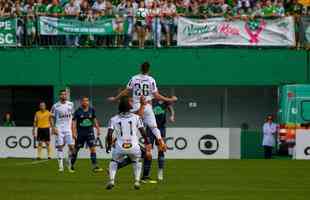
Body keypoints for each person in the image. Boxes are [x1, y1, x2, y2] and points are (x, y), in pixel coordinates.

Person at [108, 61, 177, 151]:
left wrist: (115, 98)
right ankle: (161, 142)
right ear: (149, 70)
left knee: (128, 125)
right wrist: (170, 99)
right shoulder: (151, 80)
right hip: (147, 106)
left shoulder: (134, 78)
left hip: (135, 106)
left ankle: (115, 140)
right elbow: (157, 95)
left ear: (140, 68)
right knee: (154, 127)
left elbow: (126, 91)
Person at [105, 96, 152, 190]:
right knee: (136, 161)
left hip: (119, 147)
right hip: (134, 146)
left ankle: (111, 180)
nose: (132, 102)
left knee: (113, 162)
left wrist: (109, 145)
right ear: (127, 105)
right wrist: (147, 143)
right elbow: (143, 132)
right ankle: (137, 182)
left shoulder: (113, 119)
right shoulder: (136, 117)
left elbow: (109, 134)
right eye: (130, 101)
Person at [142, 98, 175, 182]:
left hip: (161, 128)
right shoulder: (148, 101)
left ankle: (160, 171)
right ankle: (146, 174)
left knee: (161, 149)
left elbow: (170, 107)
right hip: (150, 128)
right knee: (148, 150)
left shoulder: (163, 100)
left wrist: (172, 115)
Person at [71, 96, 103, 172]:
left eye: (86, 101)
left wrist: (98, 129)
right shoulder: (78, 111)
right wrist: (73, 132)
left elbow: (95, 120)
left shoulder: (92, 110)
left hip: (90, 133)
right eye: (84, 101)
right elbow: (74, 122)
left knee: (93, 149)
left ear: (88, 102)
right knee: (76, 150)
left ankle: (95, 166)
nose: (85, 102)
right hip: (80, 134)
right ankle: (71, 164)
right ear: (82, 102)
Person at [51, 90, 76, 172]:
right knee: (60, 147)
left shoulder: (71, 104)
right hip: (59, 129)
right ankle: (61, 166)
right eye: (62, 94)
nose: (64, 96)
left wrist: (74, 130)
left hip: (68, 129)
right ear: (59, 96)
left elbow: (73, 118)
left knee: (72, 148)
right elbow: (51, 117)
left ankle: (68, 163)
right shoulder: (55, 106)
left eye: (65, 94)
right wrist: (53, 127)